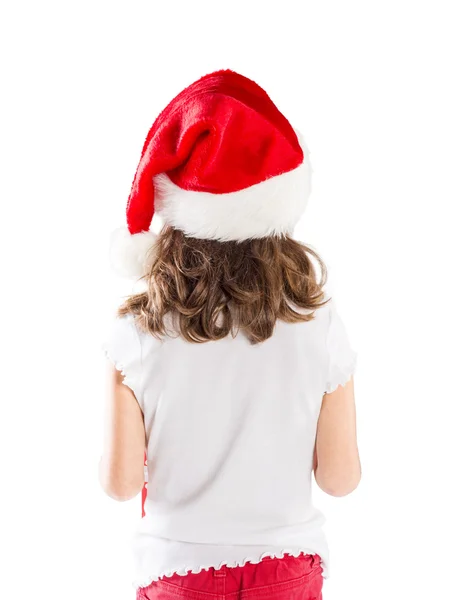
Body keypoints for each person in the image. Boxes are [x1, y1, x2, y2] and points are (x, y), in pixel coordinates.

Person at [99, 69, 361, 600]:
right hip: (287, 568)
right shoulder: (318, 322)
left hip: (179, 570)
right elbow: (339, 479)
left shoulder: (137, 331)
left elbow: (121, 483)